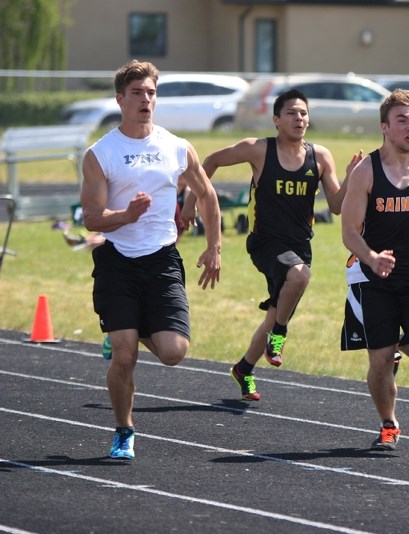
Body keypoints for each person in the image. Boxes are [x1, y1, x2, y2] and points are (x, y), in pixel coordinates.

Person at [80, 60, 222, 460]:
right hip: (117, 261)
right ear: (120, 99)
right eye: (138, 93)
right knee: (125, 355)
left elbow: (208, 195)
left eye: (151, 93)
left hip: (161, 261)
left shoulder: (177, 147)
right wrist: (125, 216)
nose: (146, 100)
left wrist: (214, 248)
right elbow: (91, 216)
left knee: (174, 352)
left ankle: (125, 329)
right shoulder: (101, 153)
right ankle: (124, 431)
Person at [181, 89, 361, 402]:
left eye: (303, 113)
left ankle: (244, 368)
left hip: (301, 245)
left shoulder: (320, 157)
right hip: (265, 242)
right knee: (299, 277)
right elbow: (210, 161)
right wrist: (190, 203)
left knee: (276, 311)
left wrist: (348, 178)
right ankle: (279, 335)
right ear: (276, 120)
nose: (299, 118)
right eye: (291, 113)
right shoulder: (259, 150)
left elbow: (334, 205)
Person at [340, 88, 409, 451]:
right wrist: (371, 257)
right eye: (402, 120)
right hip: (373, 279)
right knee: (379, 361)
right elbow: (348, 231)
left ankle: (399, 343)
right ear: (384, 128)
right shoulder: (365, 172)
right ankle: (388, 423)